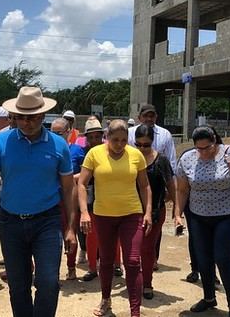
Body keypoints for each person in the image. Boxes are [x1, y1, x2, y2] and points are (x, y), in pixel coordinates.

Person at [0, 86, 77, 317]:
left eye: (32, 117)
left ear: (42, 115)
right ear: (15, 116)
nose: (27, 122)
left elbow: (69, 189)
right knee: (18, 286)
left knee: (48, 283)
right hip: (11, 223)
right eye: (22, 117)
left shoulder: (59, 146)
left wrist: (70, 227)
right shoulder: (3, 142)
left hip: (47, 223)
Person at [174, 126, 230, 317]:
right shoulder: (187, 158)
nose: (204, 152)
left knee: (223, 258)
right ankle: (209, 297)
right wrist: (178, 214)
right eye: (199, 149)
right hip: (199, 215)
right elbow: (182, 189)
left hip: (229, 214)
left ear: (215, 142)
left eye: (208, 148)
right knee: (203, 258)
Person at [78, 120, 153, 317]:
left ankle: (134, 311)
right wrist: (84, 212)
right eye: (115, 139)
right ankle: (106, 299)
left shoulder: (136, 155)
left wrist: (148, 212)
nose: (119, 144)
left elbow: (144, 185)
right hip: (103, 215)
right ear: (107, 137)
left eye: (123, 140)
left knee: (132, 261)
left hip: (131, 214)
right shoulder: (94, 154)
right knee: (107, 260)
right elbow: (82, 184)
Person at [134, 124, 176, 300]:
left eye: (146, 144)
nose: (143, 148)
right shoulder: (130, 158)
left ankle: (147, 283)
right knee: (133, 250)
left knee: (147, 248)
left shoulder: (162, 161)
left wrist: (177, 210)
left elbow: (171, 186)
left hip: (156, 211)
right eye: (139, 144)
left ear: (152, 142)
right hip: (132, 210)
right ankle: (135, 281)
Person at [50, 118, 85, 280]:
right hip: (51, 199)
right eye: (52, 132)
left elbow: (87, 173)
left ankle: (71, 268)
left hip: (70, 198)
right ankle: (52, 270)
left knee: (71, 232)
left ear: (69, 132)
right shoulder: (46, 150)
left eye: (59, 133)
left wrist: (68, 178)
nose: (55, 136)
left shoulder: (77, 150)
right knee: (51, 237)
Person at [78, 119, 108, 282]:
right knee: (90, 233)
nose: (95, 140)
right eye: (92, 137)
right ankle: (91, 267)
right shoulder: (80, 153)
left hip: (107, 197)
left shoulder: (110, 152)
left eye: (98, 137)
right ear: (87, 138)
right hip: (88, 197)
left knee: (110, 234)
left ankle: (114, 265)